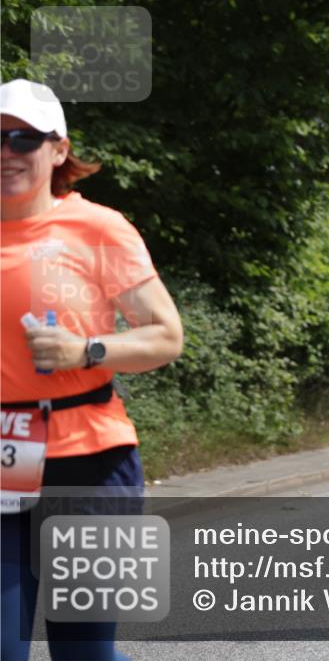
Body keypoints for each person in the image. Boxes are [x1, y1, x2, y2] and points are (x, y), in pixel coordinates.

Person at [1, 79, 184, 661]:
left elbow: (165, 336)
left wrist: (87, 351)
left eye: (23, 138)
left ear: (58, 150)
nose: (7, 151)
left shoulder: (98, 229)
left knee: (82, 653)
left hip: (89, 464)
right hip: (5, 463)